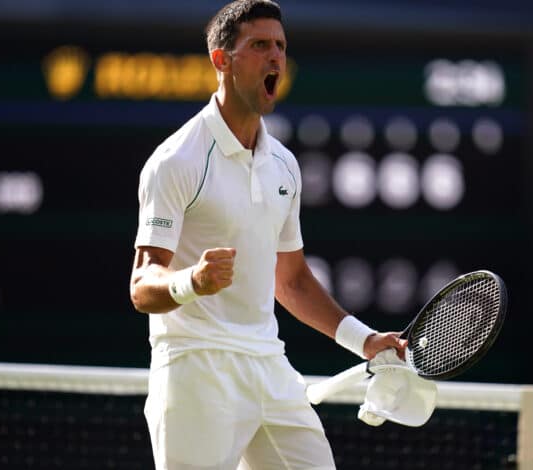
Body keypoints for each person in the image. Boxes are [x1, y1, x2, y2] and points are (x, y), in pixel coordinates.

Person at [128, 1, 406, 469]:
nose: (275, 56)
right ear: (222, 60)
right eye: (260, 45)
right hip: (196, 367)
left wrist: (364, 340)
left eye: (280, 46)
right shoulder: (175, 161)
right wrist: (192, 280)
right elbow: (142, 286)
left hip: (269, 365)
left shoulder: (284, 165)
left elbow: (291, 279)